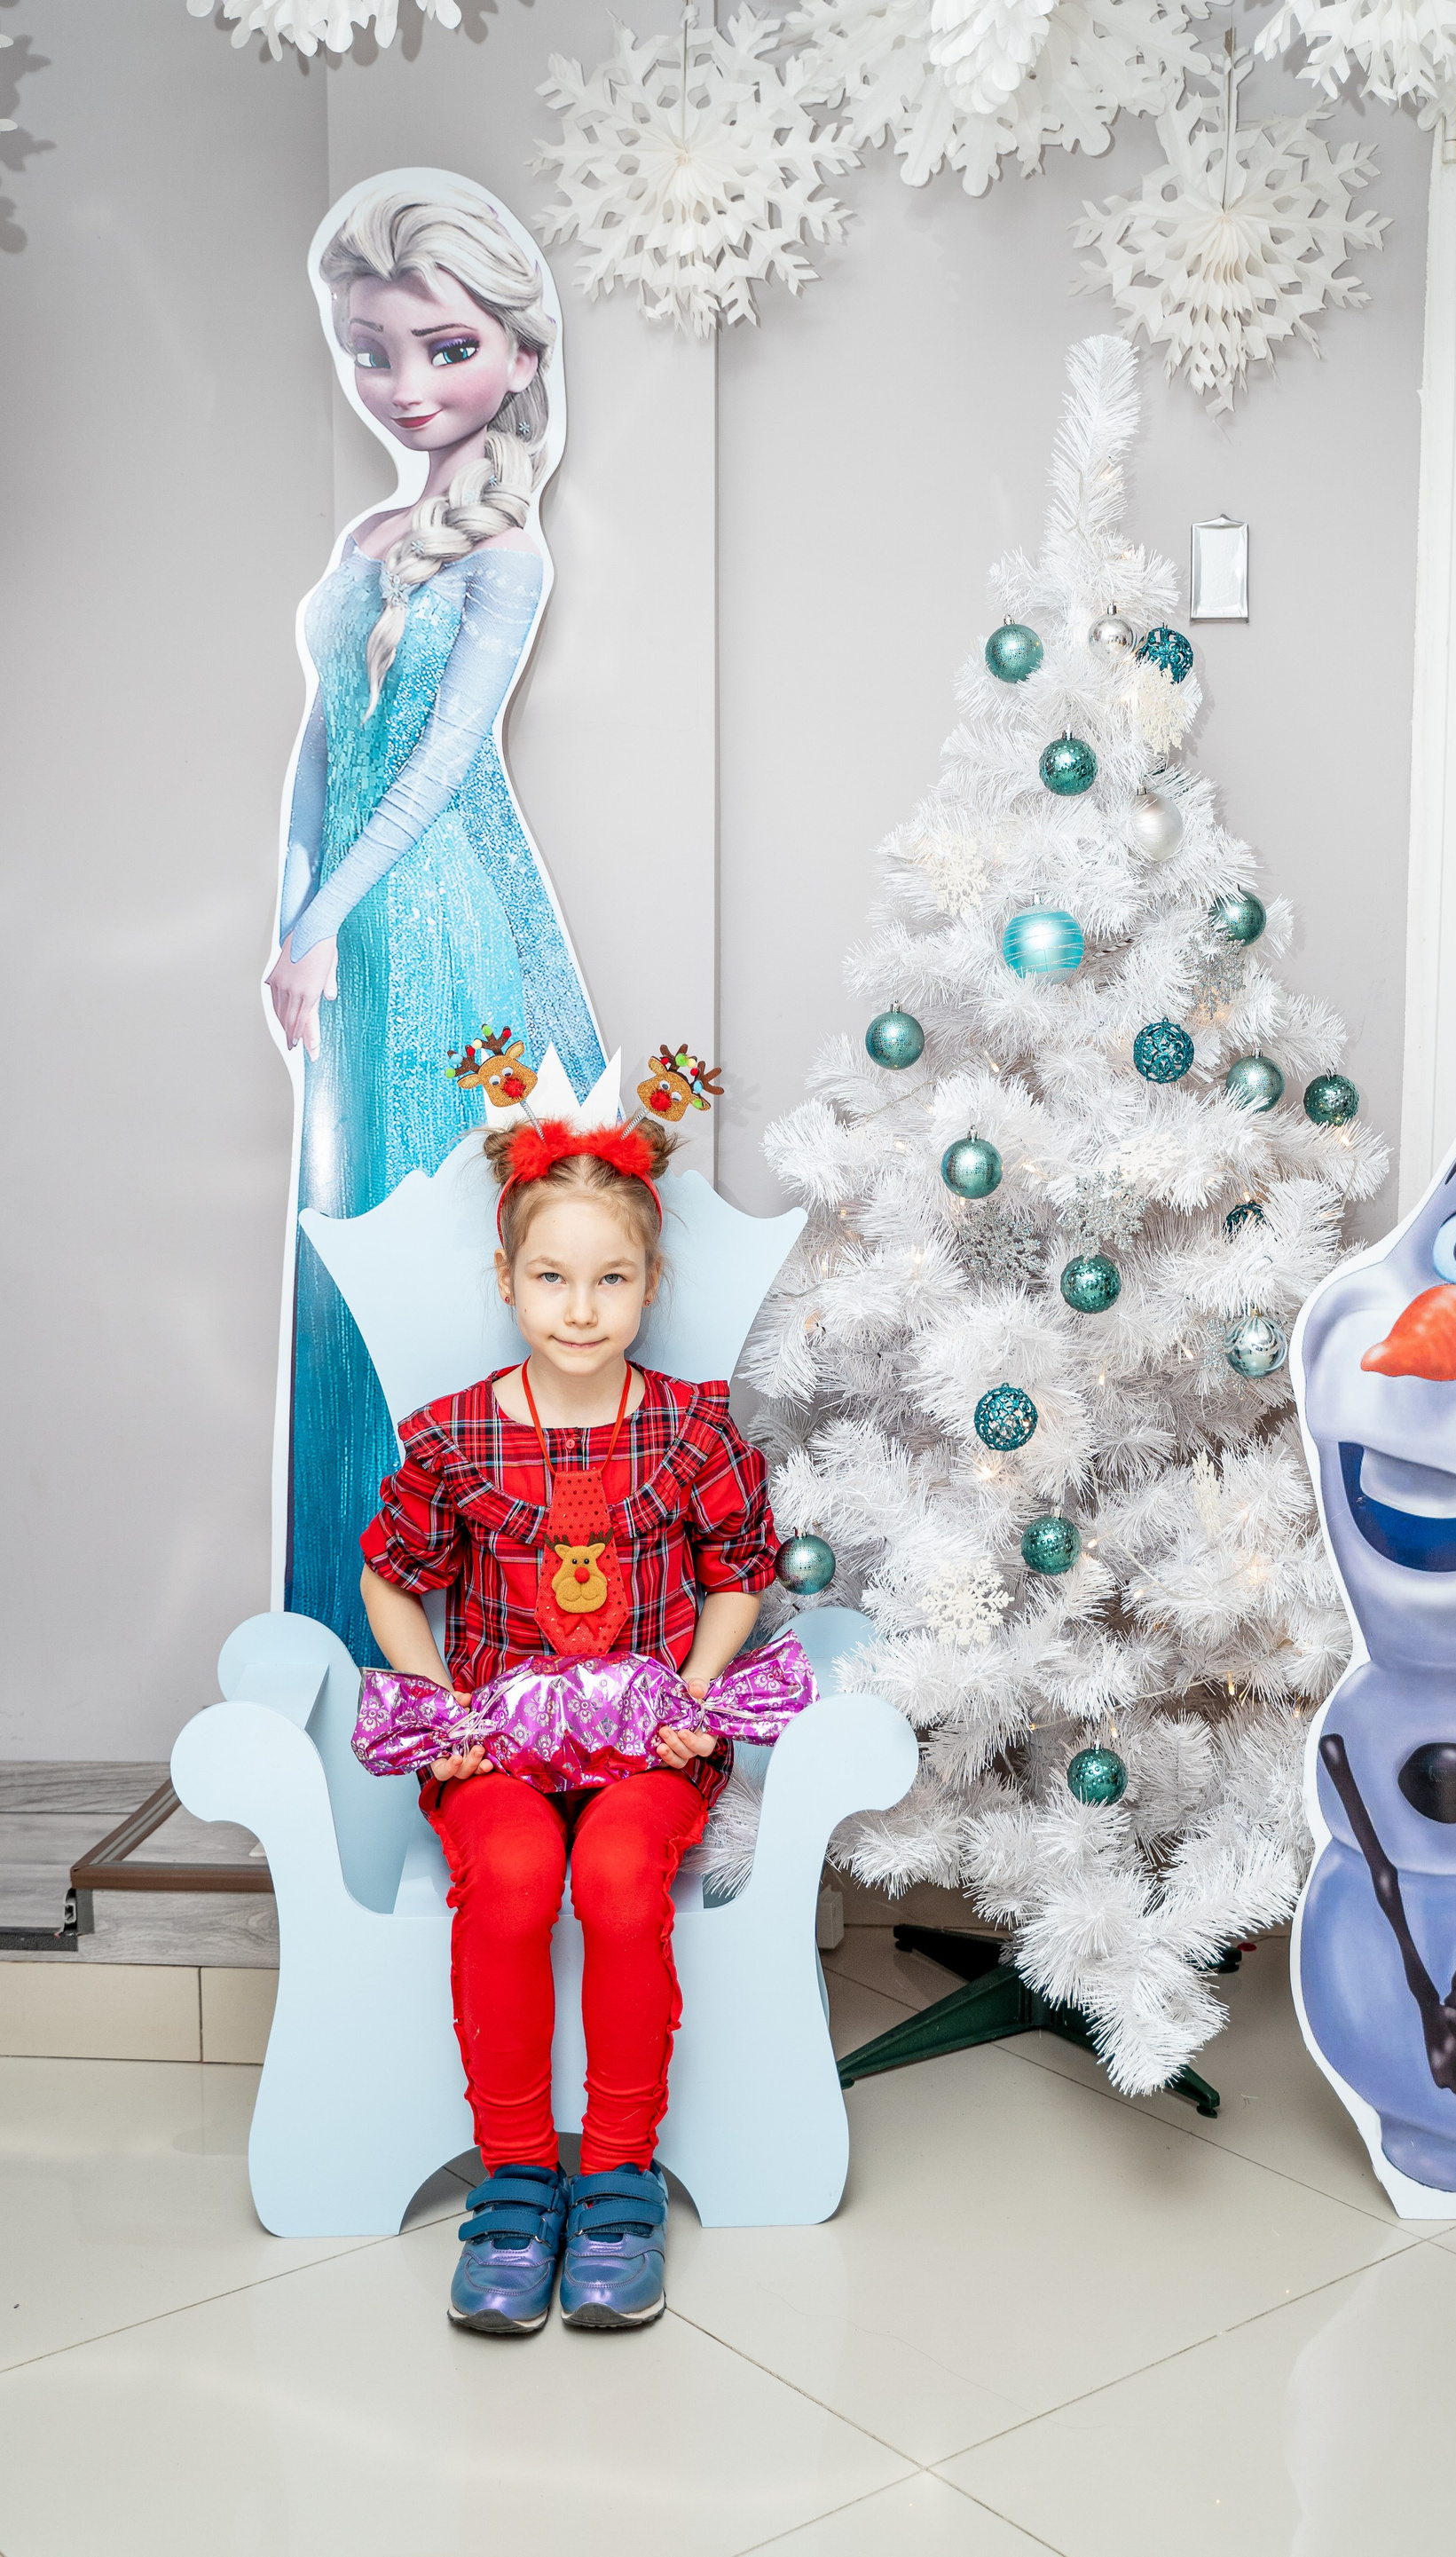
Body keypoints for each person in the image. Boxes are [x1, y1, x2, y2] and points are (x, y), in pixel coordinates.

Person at [358, 1116, 778, 2332]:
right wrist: (439, 1705)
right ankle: (516, 2177)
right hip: (496, 1743)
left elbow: (740, 1571)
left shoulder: (692, 1429)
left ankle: (619, 2177)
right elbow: (392, 1575)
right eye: (551, 1277)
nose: (581, 1309)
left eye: (611, 1279)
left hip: (650, 1746)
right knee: (512, 1872)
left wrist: (695, 1691)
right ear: (507, 1279)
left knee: (614, 1876)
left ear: (650, 1282)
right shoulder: (454, 1436)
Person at [268, 183, 604, 1667]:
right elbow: (322, 748)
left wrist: (323, 919)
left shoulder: (505, 553)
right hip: (347, 939)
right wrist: (291, 916)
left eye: (445, 348)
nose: (405, 386)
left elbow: (441, 765)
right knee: (346, 1242)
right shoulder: (367, 533)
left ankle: (472, 1654)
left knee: (428, 1245)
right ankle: (342, 1648)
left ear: (519, 355)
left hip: (439, 926)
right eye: (372, 351)